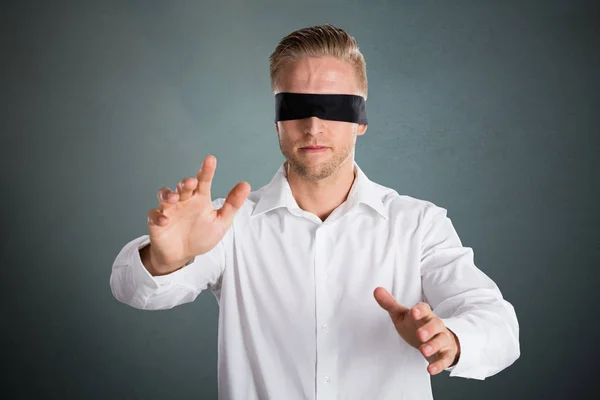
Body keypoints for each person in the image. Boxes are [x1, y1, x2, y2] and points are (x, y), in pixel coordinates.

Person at [110, 24, 520, 400]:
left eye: (335, 106)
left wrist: (450, 339)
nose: (313, 124)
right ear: (276, 119)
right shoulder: (226, 226)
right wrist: (167, 258)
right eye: (296, 106)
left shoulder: (418, 225)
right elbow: (132, 290)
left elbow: (498, 324)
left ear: (361, 119)